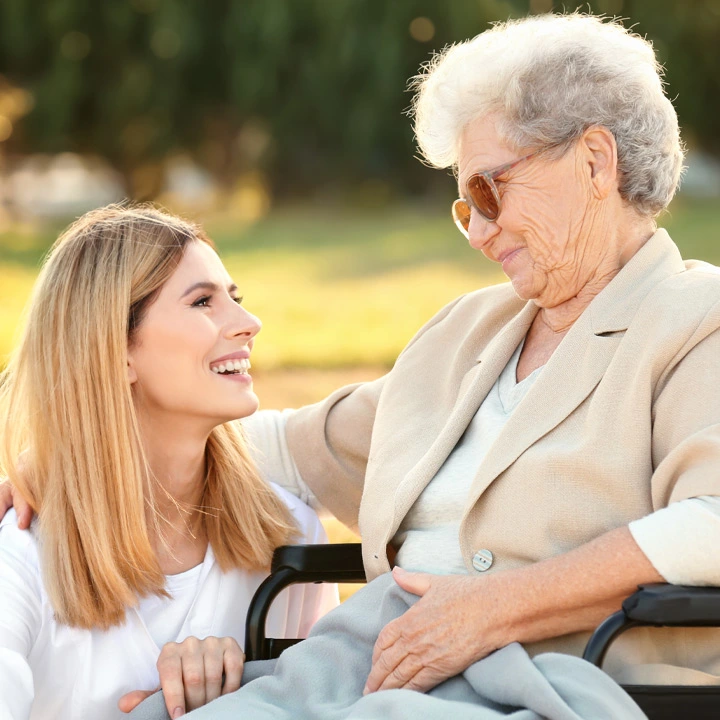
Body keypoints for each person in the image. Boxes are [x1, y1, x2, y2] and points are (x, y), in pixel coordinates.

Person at [5, 10, 720, 719]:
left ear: (595, 161)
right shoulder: (467, 335)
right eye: (463, 207)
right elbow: (282, 446)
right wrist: (53, 453)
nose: (478, 233)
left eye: (488, 192)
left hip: (556, 686)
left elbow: (710, 522)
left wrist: (495, 609)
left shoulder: (694, 319)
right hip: (369, 673)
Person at [0, 205, 337, 720]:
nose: (249, 323)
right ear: (115, 351)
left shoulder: (288, 536)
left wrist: (238, 705)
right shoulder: (20, 557)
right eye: (203, 301)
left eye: (235, 298)